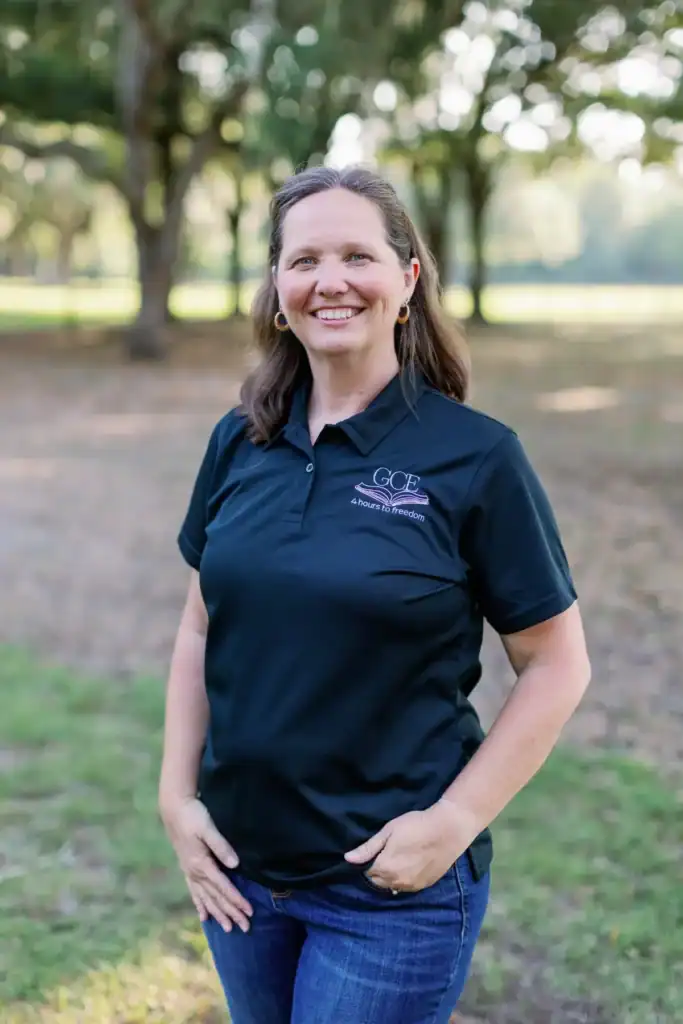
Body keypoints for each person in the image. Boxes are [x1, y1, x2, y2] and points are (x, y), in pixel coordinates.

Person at [159, 165, 591, 1024]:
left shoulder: (474, 457)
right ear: (277, 288)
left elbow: (555, 663)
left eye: (357, 255)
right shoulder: (240, 441)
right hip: (241, 875)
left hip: (389, 894)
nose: (329, 281)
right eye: (303, 259)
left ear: (406, 280)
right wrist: (176, 799)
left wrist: (455, 820)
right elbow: (202, 627)